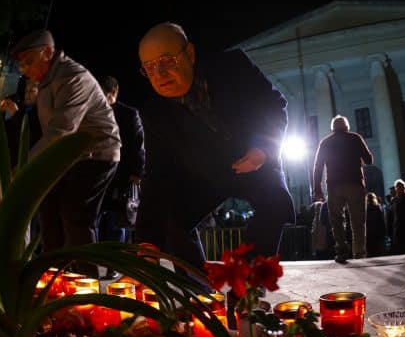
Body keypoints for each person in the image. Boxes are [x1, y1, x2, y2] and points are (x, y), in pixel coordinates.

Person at [135, 22, 294, 268]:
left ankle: (247, 279)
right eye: (150, 67)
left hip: (253, 161)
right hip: (204, 176)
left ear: (190, 53)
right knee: (172, 218)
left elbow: (274, 105)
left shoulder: (232, 67)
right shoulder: (154, 112)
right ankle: (196, 284)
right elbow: (157, 175)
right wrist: (147, 242)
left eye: (167, 61)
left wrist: (263, 148)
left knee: (276, 202)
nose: (160, 74)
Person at [8, 29, 120, 278]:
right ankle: (56, 275)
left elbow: (61, 131)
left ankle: (89, 278)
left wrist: (24, 168)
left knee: (75, 214)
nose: (24, 70)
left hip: (97, 153)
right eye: (21, 65)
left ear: (47, 52)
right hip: (69, 156)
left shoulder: (72, 77)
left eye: (28, 62)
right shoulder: (46, 82)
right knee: (48, 209)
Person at [98, 75, 145, 279]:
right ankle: (103, 259)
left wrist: (137, 172)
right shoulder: (95, 112)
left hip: (121, 175)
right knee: (100, 219)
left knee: (117, 221)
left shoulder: (129, 114)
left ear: (114, 92)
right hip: (99, 174)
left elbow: (138, 144)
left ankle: (115, 263)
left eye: (104, 94)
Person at [312, 114, 374, 262]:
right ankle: (359, 252)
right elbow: (369, 160)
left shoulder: (325, 142)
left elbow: (318, 167)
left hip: (334, 186)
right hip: (354, 184)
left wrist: (317, 188)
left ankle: (341, 250)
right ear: (346, 127)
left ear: (333, 128)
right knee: (358, 221)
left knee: (337, 220)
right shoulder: (355, 138)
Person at [365, 192, 387, 257]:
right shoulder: (378, 207)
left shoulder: (365, 209)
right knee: (378, 251)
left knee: (370, 251)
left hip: (369, 233)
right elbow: (382, 221)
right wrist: (384, 232)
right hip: (378, 232)